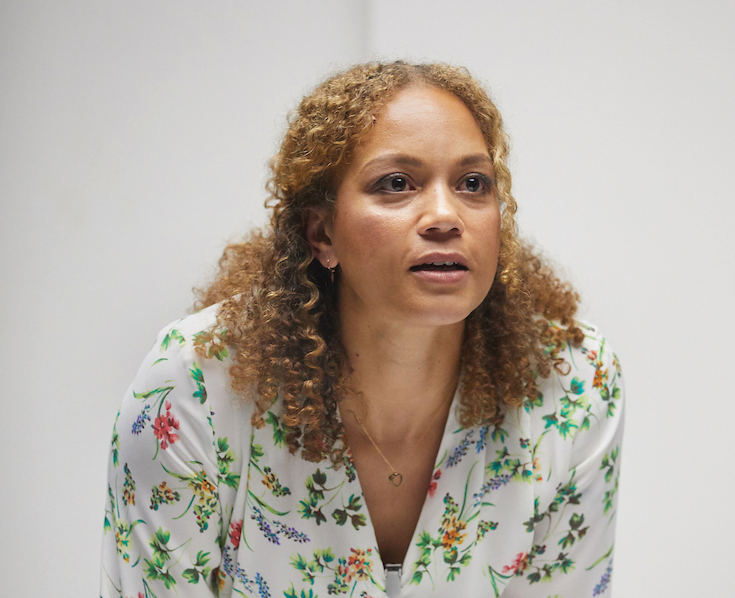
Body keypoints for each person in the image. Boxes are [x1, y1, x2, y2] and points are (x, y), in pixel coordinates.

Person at [100, 61, 624, 598]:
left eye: (473, 183)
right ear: (322, 233)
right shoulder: (194, 385)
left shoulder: (571, 381)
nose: (446, 216)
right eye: (397, 184)